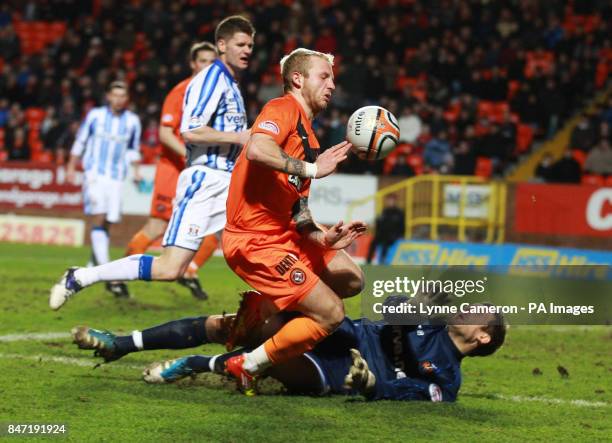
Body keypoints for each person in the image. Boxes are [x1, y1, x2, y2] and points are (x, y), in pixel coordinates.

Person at [49, 16, 254, 310]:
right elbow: (190, 130)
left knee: (262, 238)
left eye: (250, 45)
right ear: (222, 45)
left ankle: (291, 318)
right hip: (205, 181)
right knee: (169, 268)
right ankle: (83, 276)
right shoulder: (210, 80)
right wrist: (240, 138)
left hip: (229, 180)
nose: (248, 50)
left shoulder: (231, 83)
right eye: (241, 44)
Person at [220, 48, 367, 389]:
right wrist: (314, 169)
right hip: (255, 241)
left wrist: (323, 238)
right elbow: (257, 150)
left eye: (332, 78)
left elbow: (298, 211)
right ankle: (249, 363)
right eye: (324, 76)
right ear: (298, 79)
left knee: (351, 279)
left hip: (286, 234)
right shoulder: (281, 108)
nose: (332, 84)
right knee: (331, 313)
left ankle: (265, 309)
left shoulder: (309, 135)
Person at [70, 294, 506, 401]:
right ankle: (123, 344)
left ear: (483, 337)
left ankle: (195, 363)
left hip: (343, 373)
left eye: (480, 312)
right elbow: (390, 308)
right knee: (247, 324)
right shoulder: (429, 318)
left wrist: (372, 383)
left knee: (280, 360)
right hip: (348, 335)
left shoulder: (448, 379)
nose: (470, 308)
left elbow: (410, 394)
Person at [122, 41, 217, 300]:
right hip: (173, 169)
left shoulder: (216, 94)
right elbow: (165, 133)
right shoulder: (181, 91)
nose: (207, 65)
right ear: (192, 64)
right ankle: (118, 275)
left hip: (199, 172)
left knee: (211, 229)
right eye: (202, 61)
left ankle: (190, 270)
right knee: (156, 226)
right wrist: (189, 155)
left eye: (212, 60)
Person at [63, 80, 142, 298]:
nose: (118, 99)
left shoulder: (133, 121)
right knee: (98, 218)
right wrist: (71, 166)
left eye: (122, 96)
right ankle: (111, 278)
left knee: (106, 223)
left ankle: (90, 271)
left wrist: (135, 170)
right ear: (108, 96)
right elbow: (81, 140)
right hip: (95, 175)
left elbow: (133, 149)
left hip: (116, 178)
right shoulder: (96, 116)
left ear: (127, 99)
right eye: (114, 95)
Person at [366, 194, 405, 265]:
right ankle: (368, 260)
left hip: (392, 235)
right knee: (373, 242)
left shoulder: (399, 212)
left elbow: (401, 225)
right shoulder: (384, 211)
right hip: (382, 233)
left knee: (386, 243)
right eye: (388, 200)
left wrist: (400, 235)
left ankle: (382, 260)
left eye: (391, 200)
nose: (389, 202)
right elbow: (379, 223)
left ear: (395, 201)